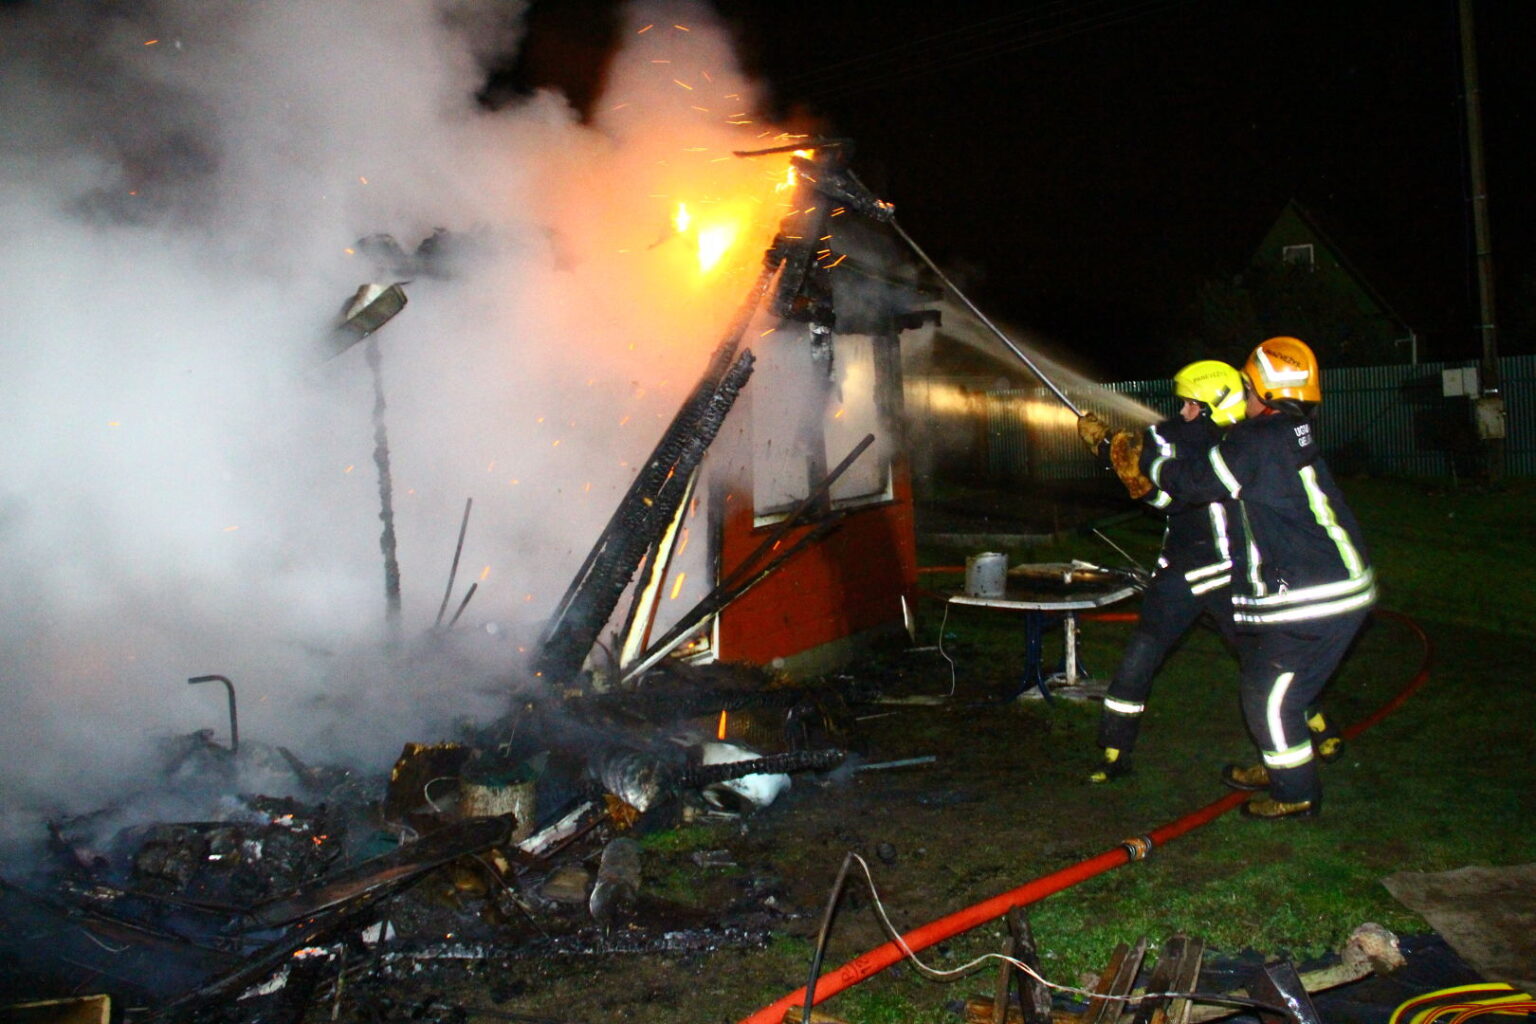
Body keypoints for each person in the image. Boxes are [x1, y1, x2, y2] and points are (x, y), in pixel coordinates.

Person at [1085, 336, 1374, 819]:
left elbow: (1193, 483)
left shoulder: (1254, 440)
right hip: (1329, 581)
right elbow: (1199, 488)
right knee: (1270, 681)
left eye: (1248, 385)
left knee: (1267, 696)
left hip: (1313, 594)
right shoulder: (1290, 431)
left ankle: (1295, 792)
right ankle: (1287, 766)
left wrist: (1142, 460)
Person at [1077, 360, 1247, 784]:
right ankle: (1318, 729)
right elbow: (1168, 498)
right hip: (1236, 571)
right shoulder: (1246, 443)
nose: (1184, 412)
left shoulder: (1174, 440)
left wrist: (1105, 448)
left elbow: (1157, 483)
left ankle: (1115, 752)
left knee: (1144, 651)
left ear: (1212, 407)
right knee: (1266, 657)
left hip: (1190, 571)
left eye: (1191, 405)